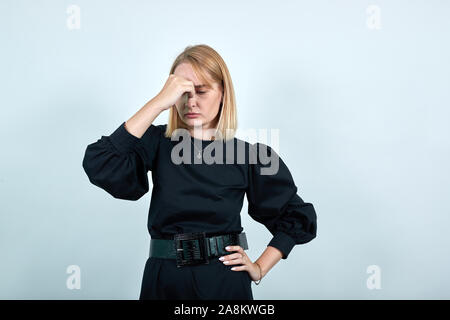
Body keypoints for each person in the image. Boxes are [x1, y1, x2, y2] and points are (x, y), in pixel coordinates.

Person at [82, 44, 317, 300]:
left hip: (224, 283)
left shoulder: (251, 156)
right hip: (164, 282)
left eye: (201, 91)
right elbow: (100, 161)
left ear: (223, 93)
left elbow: (296, 218)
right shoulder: (156, 142)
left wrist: (259, 268)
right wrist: (158, 103)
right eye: (182, 93)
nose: (191, 102)